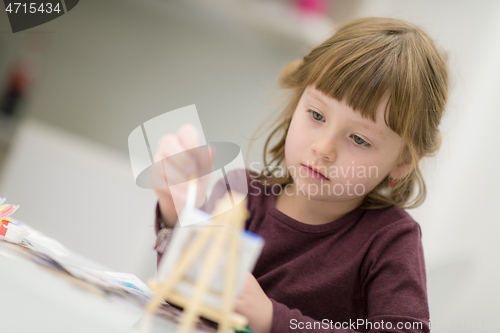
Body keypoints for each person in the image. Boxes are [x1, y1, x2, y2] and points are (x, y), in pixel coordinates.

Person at [152, 17, 448, 333]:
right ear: (297, 103)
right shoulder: (240, 193)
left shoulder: (389, 240)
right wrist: (175, 215)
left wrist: (273, 319)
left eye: (359, 139)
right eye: (317, 115)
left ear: (402, 162)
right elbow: (182, 296)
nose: (323, 148)